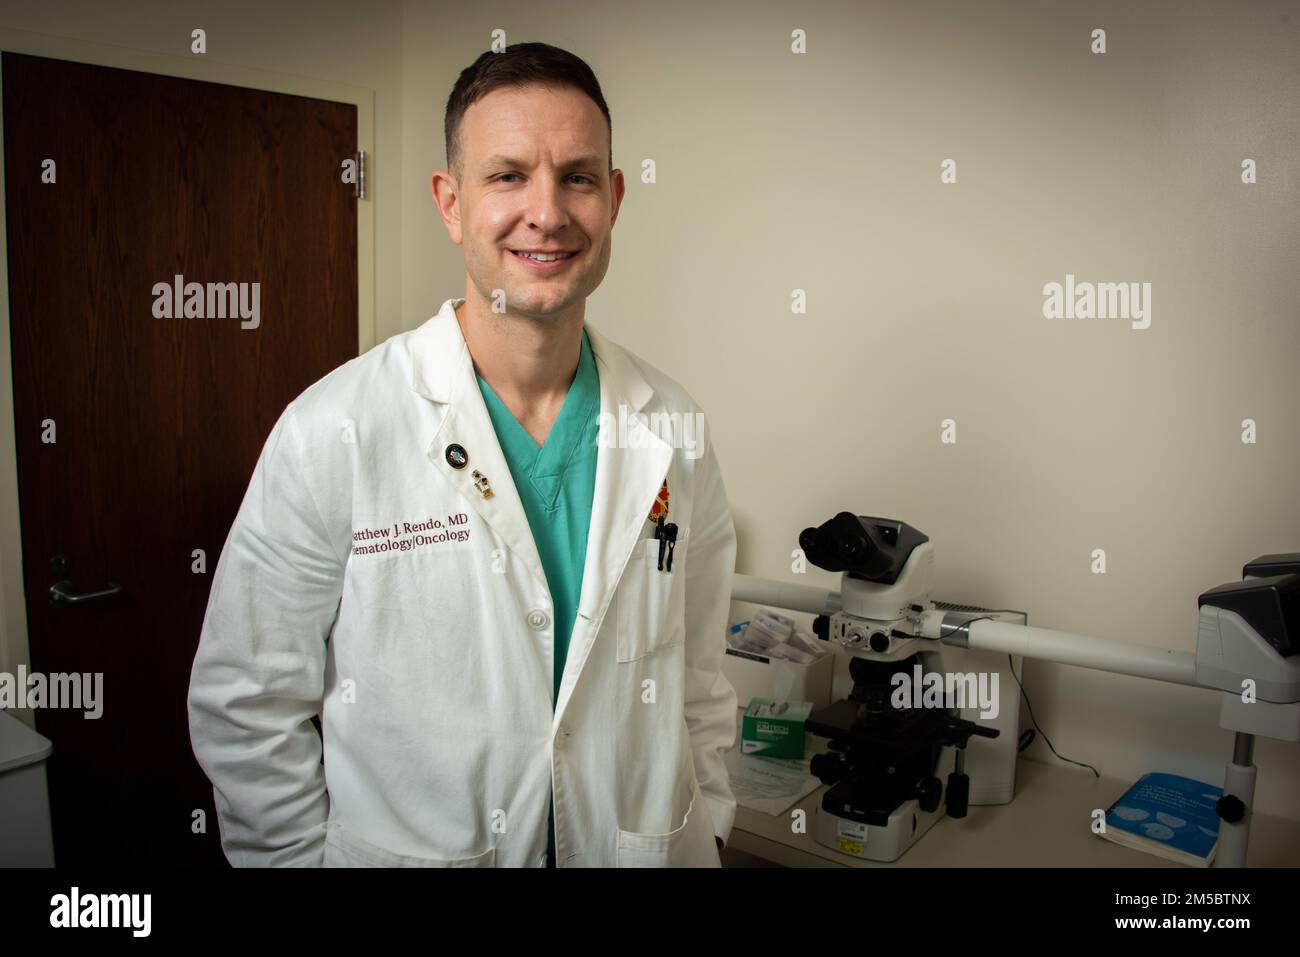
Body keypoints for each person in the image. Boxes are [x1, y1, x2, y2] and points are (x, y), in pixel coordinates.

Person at [187, 41, 739, 867]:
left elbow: (697, 681)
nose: (547, 212)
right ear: (450, 203)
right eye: (508, 175)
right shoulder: (334, 429)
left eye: (578, 177)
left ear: (615, 199)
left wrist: (710, 825)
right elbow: (246, 706)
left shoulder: (672, 430)